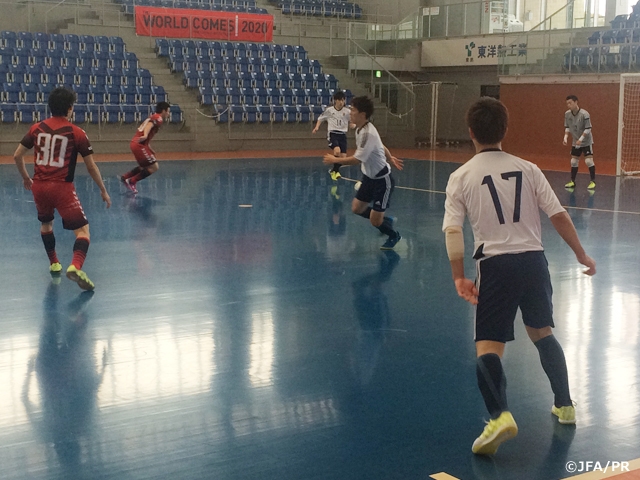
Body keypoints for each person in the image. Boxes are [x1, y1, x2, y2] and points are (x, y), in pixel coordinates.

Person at [442, 97, 596, 456]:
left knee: (488, 345)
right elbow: (558, 215)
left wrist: (458, 277)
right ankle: (565, 404)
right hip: (534, 262)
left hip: (496, 266)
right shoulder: (528, 168)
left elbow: (452, 231)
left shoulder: (461, 176)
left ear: (470, 132)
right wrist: (580, 254)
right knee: (543, 333)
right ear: (504, 130)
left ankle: (499, 416)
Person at [13, 86, 111, 291]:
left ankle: (54, 263)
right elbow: (91, 166)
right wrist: (102, 189)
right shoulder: (77, 133)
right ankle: (75, 266)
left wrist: (25, 178)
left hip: (38, 187)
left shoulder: (36, 128)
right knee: (83, 231)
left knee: (46, 224)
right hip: (62, 188)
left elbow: (17, 155)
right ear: (69, 108)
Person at [323, 96, 404, 250]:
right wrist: (390, 157)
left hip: (382, 180)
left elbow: (357, 159)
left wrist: (335, 159)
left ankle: (393, 235)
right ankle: (385, 219)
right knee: (356, 208)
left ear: (362, 114)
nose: (350, 112)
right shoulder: (360, 128)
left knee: (375, 221)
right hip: (368, 177)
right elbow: (381, 145)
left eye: (353, 110)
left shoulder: (368, 133)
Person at [119, 101, 171, 195]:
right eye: (168, 111)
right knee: (154, 167)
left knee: (145, 166)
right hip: (139, 145)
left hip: (138, 144)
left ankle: (125, 177)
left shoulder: (154, 116)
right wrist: (146, 135)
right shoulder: (158, 118)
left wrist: (149, 147)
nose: (168, 114)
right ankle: (132, 181)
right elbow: (149, 125)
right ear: (163, 111)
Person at [313, 91, 352, 181]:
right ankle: (335, 172)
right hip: (333, 133)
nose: (342, 102)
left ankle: (334, 171)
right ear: (335, 101)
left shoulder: (347, 111)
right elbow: (320, 118)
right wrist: (316, 127)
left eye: (343, 100)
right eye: (340, 100)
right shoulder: (329, 110)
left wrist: (353, 124)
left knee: (343, 157)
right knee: (337, 151)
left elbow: (352, 120)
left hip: (343, 135)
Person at [563, 95, 596, 190]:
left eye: (570, 103)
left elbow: (588, 128)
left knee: (589, 161)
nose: (568, 105)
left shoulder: (584, 114)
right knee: (573, 161)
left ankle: (592, 181)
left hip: (586, 141)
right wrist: (565, 137)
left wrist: (580, 139)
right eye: (567, 103)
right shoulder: (567, 114)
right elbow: (567, 127)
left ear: (576, 102)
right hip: (575, 141)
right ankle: (572, 181)